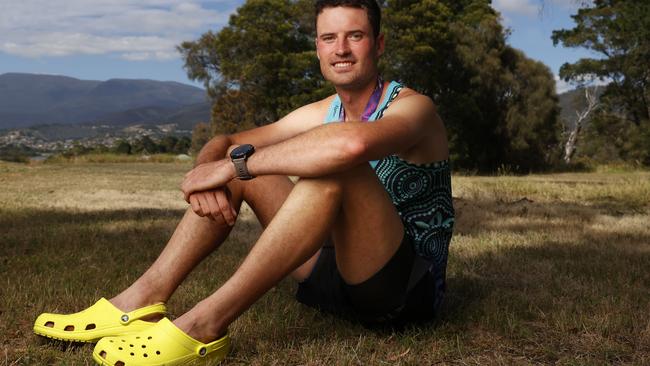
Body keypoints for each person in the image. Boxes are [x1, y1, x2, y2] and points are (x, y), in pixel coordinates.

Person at [33, 0, 454, 364]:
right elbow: (229, 142)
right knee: (241, 159)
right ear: (317, 49)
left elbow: (349, 148)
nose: (340, 49)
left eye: (355, 36)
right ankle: (139, 301)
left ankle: (203, 323)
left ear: (378, 44)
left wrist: (235, 166)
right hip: (333, 277)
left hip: (401, 291)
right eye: (329, 38)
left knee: (330, 169)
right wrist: (209, 172)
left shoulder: (415, 108)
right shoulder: (322, 110)